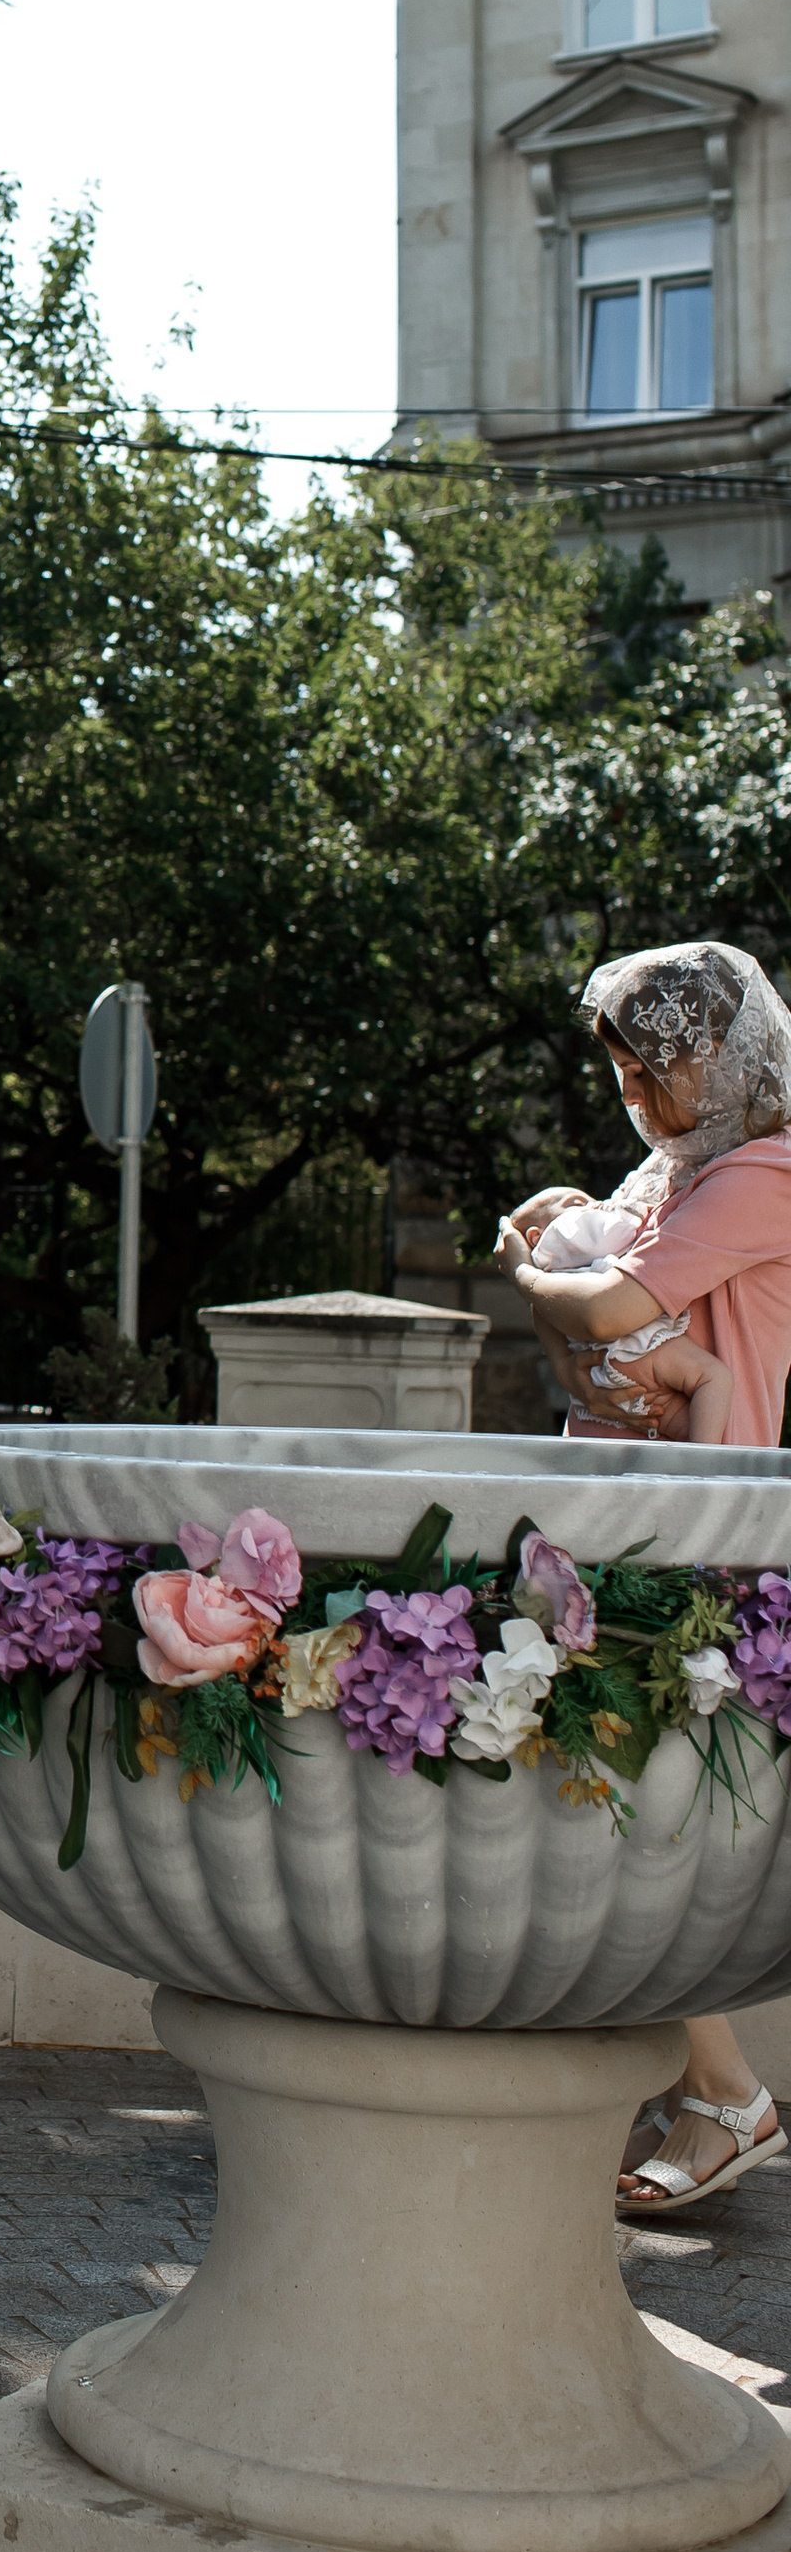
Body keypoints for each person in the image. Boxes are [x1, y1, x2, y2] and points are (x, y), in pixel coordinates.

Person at [498, 938, 791, 2219]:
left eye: (649, 1070)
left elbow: (605, 1312)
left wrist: (531, 1273)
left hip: (699, 1528)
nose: (632, 1098)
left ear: (716, 1056)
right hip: (631, 1509)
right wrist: (567, 1257)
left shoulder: (770, 1170)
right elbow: (592, 1296)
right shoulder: (682, 1168)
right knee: (603, 1809)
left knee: (634, 1824)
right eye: (617, 1074)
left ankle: (726, 2095)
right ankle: (700, 2088)